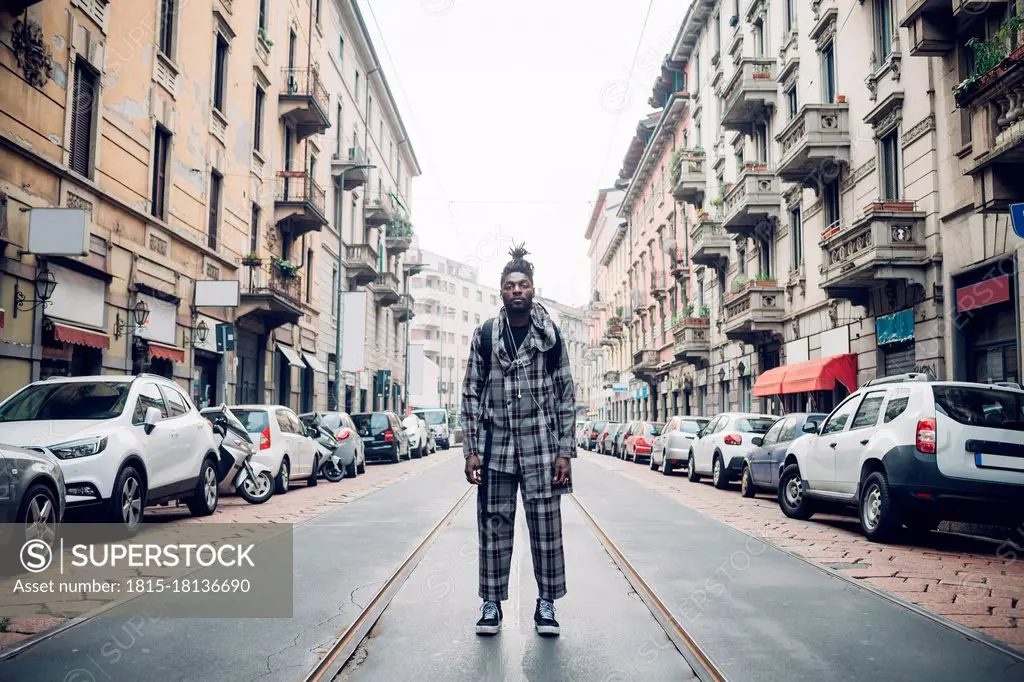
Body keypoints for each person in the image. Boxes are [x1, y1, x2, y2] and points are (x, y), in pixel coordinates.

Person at [461, 242, 577, 638]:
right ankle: (491, 604)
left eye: (523, 284)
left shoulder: (550, 335)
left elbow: (565, 393)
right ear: (501, 292)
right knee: (493, 528)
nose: (516, 290)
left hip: (542, 451)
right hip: (496, 450)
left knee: (546, 529)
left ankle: (546, 605)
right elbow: (471, 393)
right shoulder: (487, 334)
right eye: (510, 285)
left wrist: (565, 451)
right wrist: (471, 450)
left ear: (533, 289)